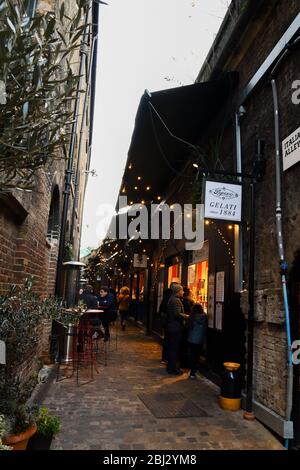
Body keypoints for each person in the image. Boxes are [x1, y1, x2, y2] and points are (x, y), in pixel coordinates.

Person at [166, 284, 189, 375]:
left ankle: (171, 367)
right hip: (175, 327)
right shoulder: (175, 300)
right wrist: (188, 316)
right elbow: (177, 314)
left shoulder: (172, 299)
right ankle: (172, 369)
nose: (183, 292)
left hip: (172, 327)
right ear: (178, 291)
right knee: (174, 349)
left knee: (173, 348)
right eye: (182, 290)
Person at [187, 303, 208, 379]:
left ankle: (192, 372)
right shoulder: (204, 316)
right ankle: (194, 370)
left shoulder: (191, 316)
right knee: (197, 355)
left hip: (191, 339)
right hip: (199, 339)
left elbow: (189, 328)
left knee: (192, 355)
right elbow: (205, 329)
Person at [157, 288, 173, 364]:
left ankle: (164, 357)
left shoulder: (164, 299)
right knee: (168, 340)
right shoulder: (168, 301)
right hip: (168, 323)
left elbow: (160, 311)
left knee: (166, 340)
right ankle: (166, 358)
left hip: (165, 323)